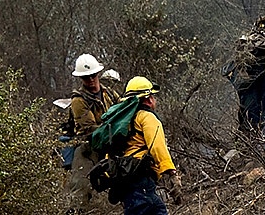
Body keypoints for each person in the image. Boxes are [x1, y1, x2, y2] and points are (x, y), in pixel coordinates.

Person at [117, 76, 181, 215]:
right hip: (140, 177)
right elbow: (158, 147)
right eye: (153, 96)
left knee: (156, 209)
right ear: (148, 98)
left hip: (125, 177)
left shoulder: (123, 121)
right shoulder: (147, 117)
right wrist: (171, 171)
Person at [67, 53, 121, 212]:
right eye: (86, 77)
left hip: (112, 143)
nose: (90, 80)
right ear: (81, 79)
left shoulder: (109, 93)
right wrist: (114, 127)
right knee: (80, 189)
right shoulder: (78, 101)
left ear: (98, 74)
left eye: (92, 75)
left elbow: (121, 109)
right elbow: (90, 128)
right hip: (88, 148)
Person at [222, 14, 265, 134]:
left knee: (250, 111)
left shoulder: (247, 38)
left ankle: (250, 141)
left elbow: (235, 63)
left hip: (250, 79)